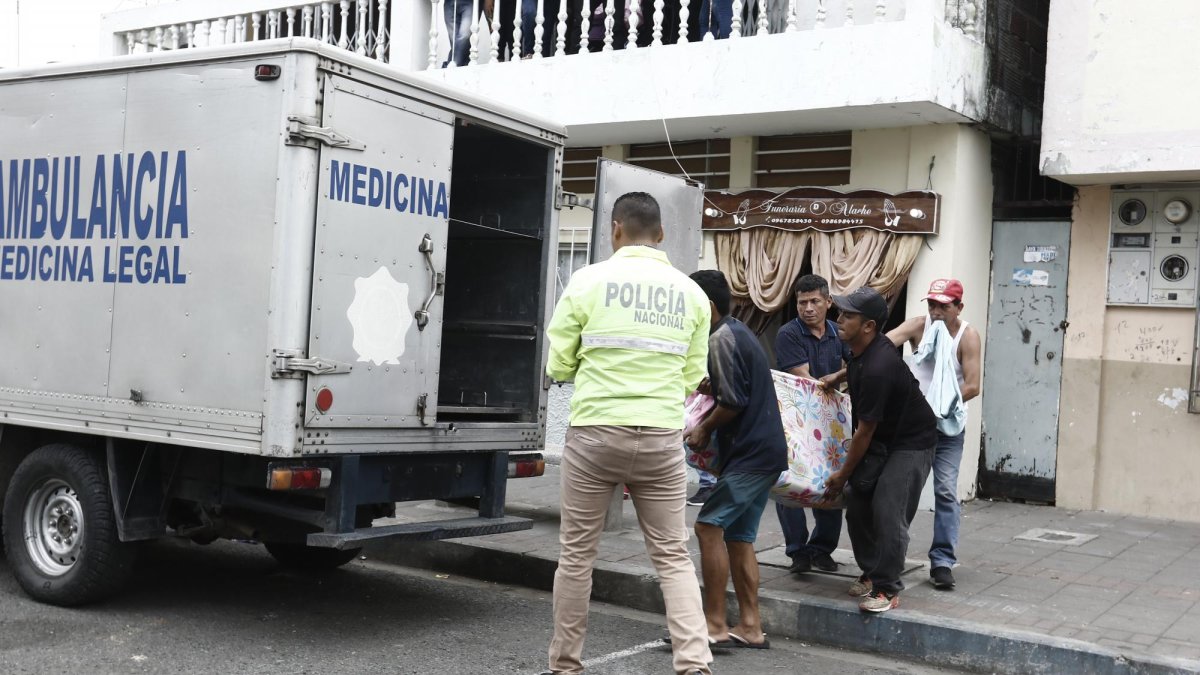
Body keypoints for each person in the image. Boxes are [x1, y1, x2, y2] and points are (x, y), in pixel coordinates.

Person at [545, 192, 713, 675]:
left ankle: (566, 665)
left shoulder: (587, 281)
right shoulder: (692, 294)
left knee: (576, 555)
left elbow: (559, 362)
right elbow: (690, 377)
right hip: (661, 437)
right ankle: (694, 663)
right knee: (673, 557)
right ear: (660, 235)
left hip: (595, 433)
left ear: (615, 230)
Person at [684, 270, 788, 649]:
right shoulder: (737, 332)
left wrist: (703, 428)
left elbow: (734, 402)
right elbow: (736, 388)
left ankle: (712, 625)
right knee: (740, 538)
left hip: (751, 455)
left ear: (707, 306)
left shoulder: (721, 338)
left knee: (707, 527)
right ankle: (750, 626)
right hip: (763, 452)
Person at [823, 287, 937, 613]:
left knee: (888, 509)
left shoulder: (879, 366)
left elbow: (863, 433)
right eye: (841, 313)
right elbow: (858, 368)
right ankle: (872, 572)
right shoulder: (860, 351)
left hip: (912, 441)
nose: (839, 319)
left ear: (869, 326)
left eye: (848, 316)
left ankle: (887, 588)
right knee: (859, 505)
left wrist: (841, 475)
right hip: (883, 439)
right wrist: (838, 376)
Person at [886, 278, 981, 590]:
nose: (937, 311)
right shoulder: (918, 326)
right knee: (903, 491)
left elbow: (972, 385)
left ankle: (942, 561)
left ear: (958, 307)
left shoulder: (967, 336)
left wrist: (935, 407)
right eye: (932, 305)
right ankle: (890, 558)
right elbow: (883, 347)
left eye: (944, 305)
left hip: (948, 428)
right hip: (913, 428)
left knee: (944, 491)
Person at [773, 274, 850, 575]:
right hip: (797, 422)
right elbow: (804, 379)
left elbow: (852, 365)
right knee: (791, 484)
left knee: (830, 484)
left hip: (833, 425)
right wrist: (840, 380)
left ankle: (821, 549)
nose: (807, 308)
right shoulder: (788, 334)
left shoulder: (838, 332)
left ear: (828, 302)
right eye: (802, 302)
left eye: (814, 301)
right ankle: (797, 552)